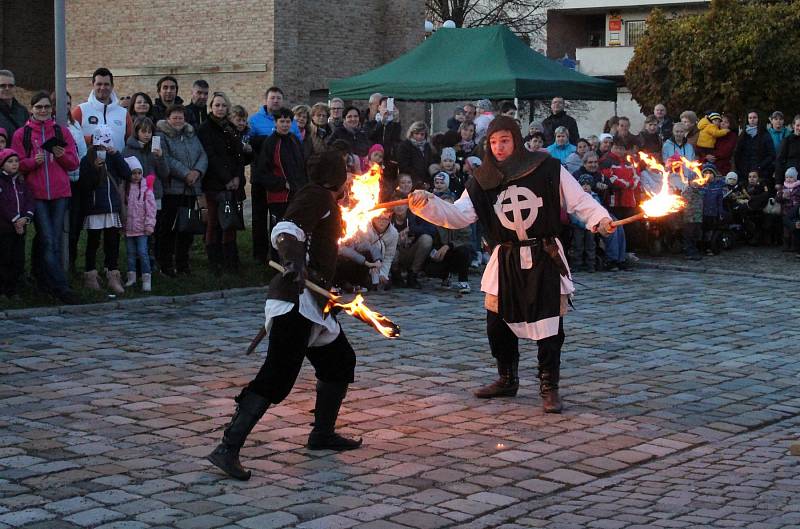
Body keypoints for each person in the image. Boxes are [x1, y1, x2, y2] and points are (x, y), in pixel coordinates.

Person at [408, 116, 615, 413]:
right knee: (497, 322)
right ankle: (506, 378)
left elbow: (579, 200)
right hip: (505, 256)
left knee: (548, 324)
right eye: (493, 142)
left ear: (516, 140)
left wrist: (601, 219)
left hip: (543, 254)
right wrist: (427, 204)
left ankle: (549, 386)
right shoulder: (483, 178)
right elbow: (459, 215)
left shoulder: (547, 168)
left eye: (504, 140)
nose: (499, 147)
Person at [207, 150, 362, 481]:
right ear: (335, 177)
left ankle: (322, 434)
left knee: (339, 362)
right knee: (276, 377)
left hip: (315, 304)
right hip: (295, 301)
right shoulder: (316, 195)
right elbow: (286, 230)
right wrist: (293, 261)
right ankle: (228, 448)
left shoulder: (323, 199)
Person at [11, 91, 80, 304]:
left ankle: (45, 282)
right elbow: (16, 163)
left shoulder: (61, 131)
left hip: (60, 193)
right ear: (31, 109)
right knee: (48, 238)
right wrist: (33, 162)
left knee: (53, 239)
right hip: (36, 194)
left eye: (46, 107)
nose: (42, 111)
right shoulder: (21, 134)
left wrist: (61, 156)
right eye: (38, 107)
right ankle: (62, 288)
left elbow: (74, 162)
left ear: (51, 109)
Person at [198, 92, 248, 273]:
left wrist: (237, 178)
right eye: (217, 105)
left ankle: (231, 261)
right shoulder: (204, 129)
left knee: (230, 221)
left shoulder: (230, 128)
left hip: (233, 184)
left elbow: (238, 155)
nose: (220, 108)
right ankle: (214, 261)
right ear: (211, 107)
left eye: (223, 105)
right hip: (213, 183)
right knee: (214, 222)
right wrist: (227, 178)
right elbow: (211, 156)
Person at [79, 126, 131, 294]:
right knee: (93, 242)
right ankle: (90, 274)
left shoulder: (113, 157)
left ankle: (112, 273)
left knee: (112, 242)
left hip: (111, 207)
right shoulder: (87, 159)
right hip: (95, 207)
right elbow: (85, 185)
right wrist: (95, 168)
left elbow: (126, 173)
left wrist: (116, 154)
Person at [156, 104, 207, 276]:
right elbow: (166, 158)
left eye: (181, 117)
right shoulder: (162, 135)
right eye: (175, 117)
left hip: (191, 189)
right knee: (169, 229)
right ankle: (166, 264)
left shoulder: (191, 134)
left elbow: (202, 154)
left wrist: (197, 172)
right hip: (173, 189)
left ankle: (183, 263)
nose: (178, 120)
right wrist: (185, 173)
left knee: (187, 229)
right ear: (168, 119)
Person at [253, 107, 306, 259]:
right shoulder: (270, 143)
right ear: (275, 123)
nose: (285, 125)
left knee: (295, 229)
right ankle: (277, 262)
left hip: (296, 194)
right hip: (278, 196)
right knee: (279, 231)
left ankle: (294, 261)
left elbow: (301, 166)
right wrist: (282, 183)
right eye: (281, 121)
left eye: (288, 121)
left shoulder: (295, 140)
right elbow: (263, 172)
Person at [123, 117, 168, 274]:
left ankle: (151, 265)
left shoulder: (155, 148)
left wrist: (160, 157)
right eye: (143, 131)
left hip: (154, 194)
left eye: (149, 131)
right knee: (138, 232)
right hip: (136, 197)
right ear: (136, 132)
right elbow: (125, 174)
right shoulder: (129, 149)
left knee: (154, 231)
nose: (147, 135)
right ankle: (137, 267)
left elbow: (165, 173)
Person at [72, 67, 133, 153]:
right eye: (99, 84)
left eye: (106, 84)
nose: (103, 87)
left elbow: (130, 142)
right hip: (89, 164)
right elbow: (70, 138)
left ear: (112, 86)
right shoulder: (80, 110)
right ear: (93, 85)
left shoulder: (123, 113)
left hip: (117, 164)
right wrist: (91, 139)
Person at [336, 209, 397, 292]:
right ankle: (343, 283)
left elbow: (371, 248)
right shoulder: (359, 228)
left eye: (385, 219)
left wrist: (379, 264)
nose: (381, 221)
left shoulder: (393, 233)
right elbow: (347, 251)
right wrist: (367, 263)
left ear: (390, 219)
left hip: (367, 263)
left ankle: (370, 283)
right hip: (348, 262)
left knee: (371, 253)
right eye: (378, 218)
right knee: (342, 260)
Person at [0, 149, 33, 298]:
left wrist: (26, 217)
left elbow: (29, 201)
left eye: (16, 161)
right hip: (5, 228)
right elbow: (3, 204)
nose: (14, 164)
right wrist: (15, 220)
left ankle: (13, 289)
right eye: (10, 161)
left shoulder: (21, 182)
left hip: (20, 227)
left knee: (18, 259)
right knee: (4, 258)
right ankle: (3, 289)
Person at [123, 156, 156, 291]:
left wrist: (149, 224)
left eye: (139, 173)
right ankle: (131, 277)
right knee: (130, 253)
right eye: (133, 173)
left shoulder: (146, 189)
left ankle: (146, 278)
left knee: (142, 253)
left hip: (142, 228)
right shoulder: (125, 188)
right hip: (129, 228)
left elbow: (151, 208)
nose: (136, 176)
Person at [390, 197, 434, 288]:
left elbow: (431, 230)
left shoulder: (415, 216)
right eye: (396, 204)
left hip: (411, 251)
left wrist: (410, 230)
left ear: (407, 206)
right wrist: (395, 239)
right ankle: (396, 275)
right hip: (394, 252)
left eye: (402, 204)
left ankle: (413, 274)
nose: (399, 207)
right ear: (392, 207)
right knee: (391, 250)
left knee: (427, 239)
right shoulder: (388, 219)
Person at [735, 111, 775, 186]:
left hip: (761, 171)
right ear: (747, 120)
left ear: (758, 119)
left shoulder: (765, 134)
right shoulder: (743, 135)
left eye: (754, 117)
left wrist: (760, 166)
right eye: (750, 118)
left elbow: (771, 154)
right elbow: (737, 154)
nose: (752, 120)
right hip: (744, 172)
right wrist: (741, 167)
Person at [570, 174, 599, 272]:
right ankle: (576, 264)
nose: (585, 186)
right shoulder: (576, 198)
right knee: (577, 245)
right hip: (578, 225)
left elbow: (598, 210)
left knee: (591, 245)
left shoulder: (595, 197)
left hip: (591, 226)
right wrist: (577, 222)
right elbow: (573, 211)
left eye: (588, 184)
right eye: (583, 184)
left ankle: (591, 264)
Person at [395, 121, 435, 190]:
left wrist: (427, 181)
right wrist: (418, 181)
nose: (419, 136)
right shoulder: (405, 146)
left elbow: (429, 163)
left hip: (424, 181)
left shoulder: (427, 147)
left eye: (422, 134)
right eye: (416, 134)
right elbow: (404, 166)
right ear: (412, 134)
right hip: (409, 182)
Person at [681, 171, 705, 260]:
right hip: (689, 218)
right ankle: (689, 252)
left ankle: (694, 250)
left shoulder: (700, 191)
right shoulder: (687, 191)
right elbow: (685, 200)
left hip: (698, 217)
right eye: (693, 180)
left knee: (696, 235)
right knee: (689, 235)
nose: (695, 182)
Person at [0, 70, 30, 138]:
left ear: (15, 88)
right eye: (2, 86)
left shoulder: (23, 111)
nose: (7, 88)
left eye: (10, 85)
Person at [777, 167, 800, 252]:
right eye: (787, 177)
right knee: (786, 230)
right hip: (786, 211)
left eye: (791, 177)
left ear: (795, 178)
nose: (789, 179)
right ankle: (786, 245)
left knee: (794, 228)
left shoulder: (798, 187)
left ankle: (794, 245)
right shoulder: (783, 187)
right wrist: (782, 196)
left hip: (795, 212)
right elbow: (777, 199)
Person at [775, 115, 800, 186]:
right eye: (798, 125)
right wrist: (778, 181)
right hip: (791, 179)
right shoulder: (787, 140)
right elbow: (779, 161)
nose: (799, 128)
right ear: (793, 125)